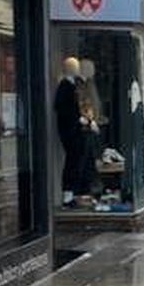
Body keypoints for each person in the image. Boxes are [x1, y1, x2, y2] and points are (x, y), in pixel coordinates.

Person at [55, 57, 87, 206]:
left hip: (74, 130)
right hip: (70, 131)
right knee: (72, 161)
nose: (78, 69)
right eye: (75, 67)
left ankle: (73, 194)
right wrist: (79, 119)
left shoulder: (73, 84)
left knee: (76, 160)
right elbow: (62, 109)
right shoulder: (65, 85)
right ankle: (68, 196)